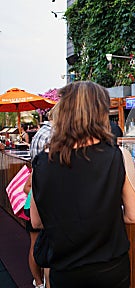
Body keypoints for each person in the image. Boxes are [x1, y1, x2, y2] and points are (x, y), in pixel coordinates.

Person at [29, 81, 135, 288]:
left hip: (65, 270)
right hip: (110, 269)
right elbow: (133, 216)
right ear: (100, 113)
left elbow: (36, 222)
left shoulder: (42, 163)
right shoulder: (119, 156)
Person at [24, 106, 57, 288]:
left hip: (35, 193)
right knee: (46, 246)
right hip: (44, 195)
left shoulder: (39, 133)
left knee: (36, 243)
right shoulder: (52, 136)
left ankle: (38, 283)